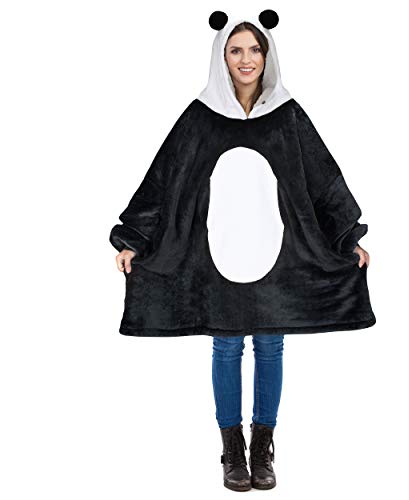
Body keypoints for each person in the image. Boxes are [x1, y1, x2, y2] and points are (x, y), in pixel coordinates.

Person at [110, 10, 374, 492]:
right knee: (227, 345)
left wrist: (347, 236)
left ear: (267, 55)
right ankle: (231, 450)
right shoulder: (200, 117)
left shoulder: (287, 115)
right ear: (222, 56)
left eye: (254, 49)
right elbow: (164, 178)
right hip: (217, 253)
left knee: (271, 344)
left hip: (277, 253)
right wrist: (133, 239)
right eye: (236, 50)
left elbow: (322, 179)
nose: (245, 59)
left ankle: (262, 447)